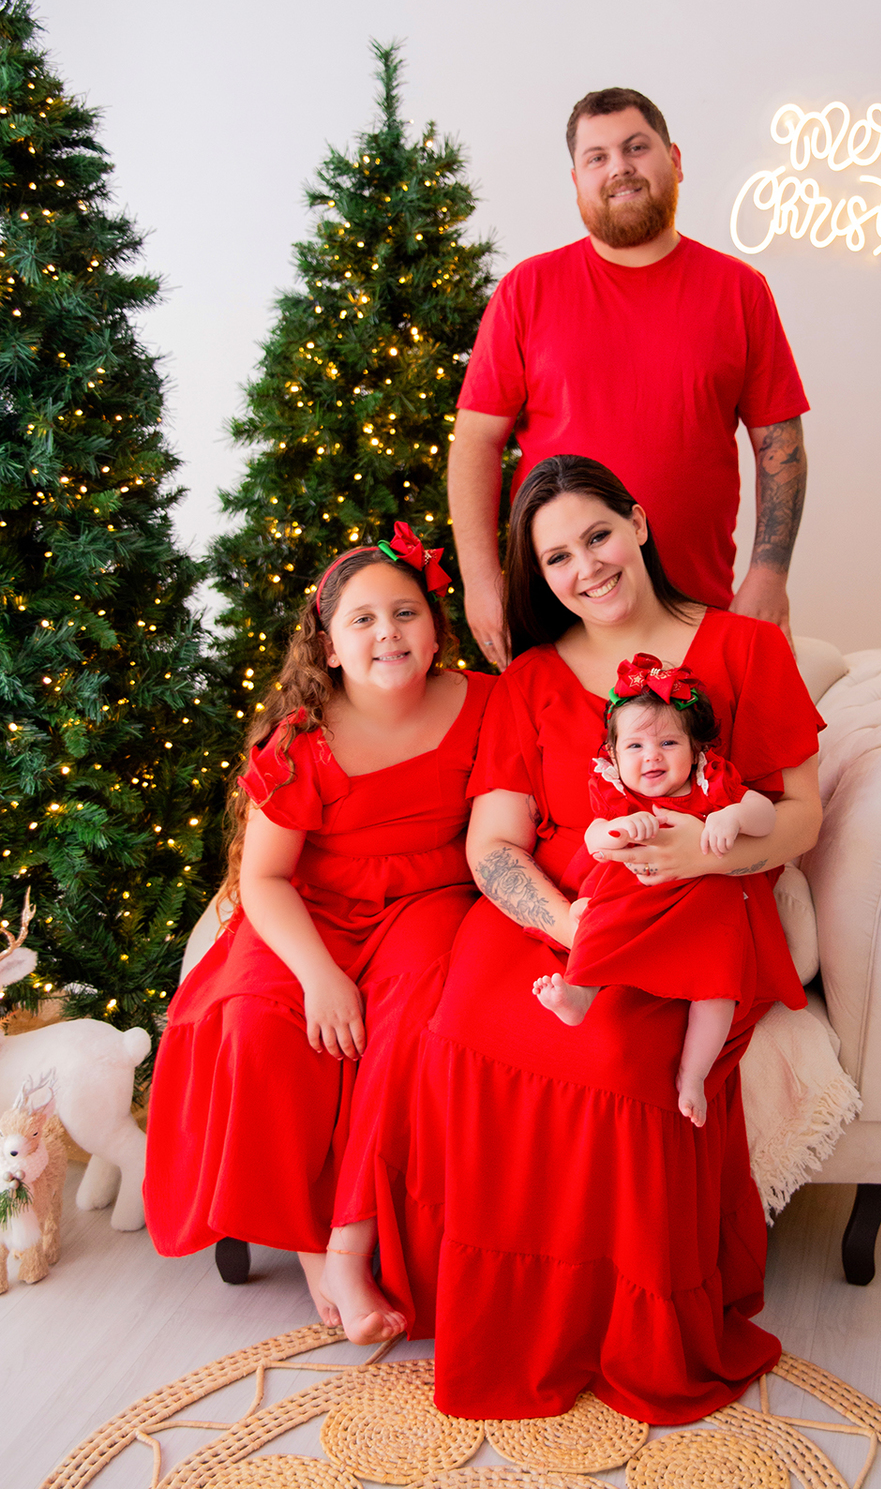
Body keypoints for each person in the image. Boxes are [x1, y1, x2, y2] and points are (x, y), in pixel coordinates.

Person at [413, 455, 823, 1422]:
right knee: (468, 1031)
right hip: (563, 909)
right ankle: (512, 1325)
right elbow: (492, 845)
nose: (585, 567)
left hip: (698, 911)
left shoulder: (745, 646)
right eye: (556, 557)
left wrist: (704, 860)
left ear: (638, 523)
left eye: (597, 535)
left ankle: (630, 1329)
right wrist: (572, 928)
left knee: (613, 1062)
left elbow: (801, 815)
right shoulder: (529, 679)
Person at [144, 523, 493, 1345]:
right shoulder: (302, 738)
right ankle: (308, 1248)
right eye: (362, 620)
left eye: (405, 613)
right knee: (255, 1024)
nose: (387, 633)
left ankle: (349, 1241)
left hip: (427, 898)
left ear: (436, 630)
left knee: (411, 1024)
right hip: (312, 908)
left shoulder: (484, 703)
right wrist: (320, 977)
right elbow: (264, 879)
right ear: (330, 648)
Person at [448, 86, 809, 665]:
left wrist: (769, 574)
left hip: (696, 611)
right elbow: (475, 442)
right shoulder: (527, 291)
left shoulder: (739, 290)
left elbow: (779, 442)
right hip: (556, 615)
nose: (619, 167)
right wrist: (481, 580)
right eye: (598, 157)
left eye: (636, 147)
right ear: (577, 181)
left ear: (675, 160)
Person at [533, 652, 794, 1129]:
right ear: (614, 757)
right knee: (599, 922)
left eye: (668, 742)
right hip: (634, 899)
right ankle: (582, 993)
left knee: (718, 986)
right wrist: (619, 831)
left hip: (706, 906)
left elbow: (767, 817)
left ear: (695, 751)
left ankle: (693, 1075)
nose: (651, 756)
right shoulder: (620, 795)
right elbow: (594, 841)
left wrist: (733, 817)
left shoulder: (711, 785)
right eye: (634, 746)